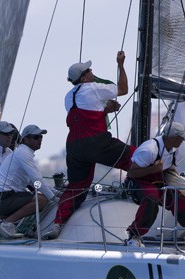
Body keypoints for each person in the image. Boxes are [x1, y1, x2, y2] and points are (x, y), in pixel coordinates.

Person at [45, 51, 133, 239]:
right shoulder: (93, 87)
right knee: (135, 158)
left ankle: (58, 223)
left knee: (76, 186)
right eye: (89, 70)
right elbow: (123, 89)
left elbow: (86, 114)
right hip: (96, 142)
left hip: (74, 148)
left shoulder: (69, 97)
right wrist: (120, 64)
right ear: (84, 76)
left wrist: (107, 109)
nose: (92, 71)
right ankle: (150, 189)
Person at [125, 121, 185, 247]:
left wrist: (182, 182)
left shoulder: (173, 150)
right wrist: (153, 170)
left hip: (158, 182)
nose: (183, 140)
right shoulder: (149, 149)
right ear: (172, 138)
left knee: (181, 201)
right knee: (151, 200)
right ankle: (134, 235)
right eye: (181, 137)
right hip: (139, 182)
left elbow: (169, 168)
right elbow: (132, 173)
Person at [0, 125, 58, 238]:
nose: (40, 140)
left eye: (41, 137)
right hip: (2, 199)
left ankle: (23, 226)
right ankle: (7, 223)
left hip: (7, 196)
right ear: (26, 139)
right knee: (41, 200)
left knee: (41, 196)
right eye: (36, 137)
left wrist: (57, 193)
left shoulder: (24, 154)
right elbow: (38, 180)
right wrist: (55, 199)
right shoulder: (23, 153)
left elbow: (34, 183)